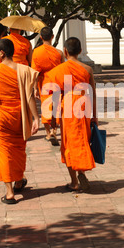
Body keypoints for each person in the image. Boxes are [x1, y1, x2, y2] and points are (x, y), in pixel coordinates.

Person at [0, 38, 40, 204]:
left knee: (4, 153)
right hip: (20, 117)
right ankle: (19, 180)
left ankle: (10, 192)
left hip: (1, 116)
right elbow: (30, 97)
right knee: (18, 150)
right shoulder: (24, 70)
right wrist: (36, 118)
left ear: (2, 52)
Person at [43, 37, 97, 191]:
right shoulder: (87, 69)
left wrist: (52, 118)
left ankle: (74, 181)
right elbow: (93, 93)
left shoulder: (57, 71)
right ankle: (81, 171)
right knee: (82, 140)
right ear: (80, 51)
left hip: (67, 106)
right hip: (84, 104)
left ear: (65, 51)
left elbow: (53, 97)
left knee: (68, 143)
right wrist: (95, 116)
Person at [31, 27, 65, 145]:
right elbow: (64, 69)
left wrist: (35, 88)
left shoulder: (36, 52)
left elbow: (35, 72)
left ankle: (48, 133)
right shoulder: (59, 53)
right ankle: (55, 131)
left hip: (44, 82)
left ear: (41, 37)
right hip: (57, 81)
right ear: (52, 36)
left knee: (45, 107)